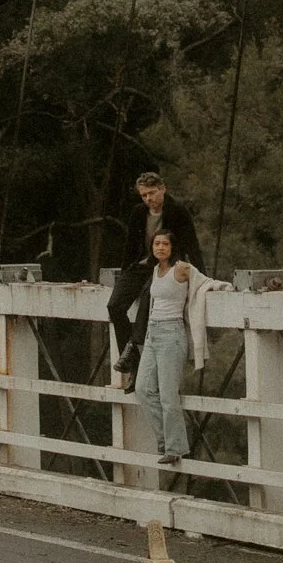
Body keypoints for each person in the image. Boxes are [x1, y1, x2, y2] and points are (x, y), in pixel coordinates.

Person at [108, 170, 204, 391]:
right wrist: (125, 275)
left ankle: (133, 354)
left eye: (152, 193)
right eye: (144, 195)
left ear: (163, 189)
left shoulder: (178, 212)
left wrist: (201, 276)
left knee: (147, 297)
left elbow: (192, 244)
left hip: (165, 266)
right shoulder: (138, 213)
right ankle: (131, 356)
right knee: (114, 305)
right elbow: (130, 247)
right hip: (141, 266)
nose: (148, 199)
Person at [134, 228, 191, 467]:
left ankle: (175, 448)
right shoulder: (156, 270)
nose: (160, 248)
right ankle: (164, 440)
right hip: (152, 333)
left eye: (165, 244)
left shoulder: (181, 268)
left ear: (172, 247)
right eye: (156, 244)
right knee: (143, 389)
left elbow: (203, 280)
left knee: (168, 396)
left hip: (172, 333)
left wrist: (221, 288)